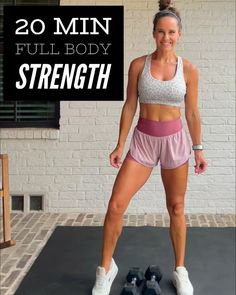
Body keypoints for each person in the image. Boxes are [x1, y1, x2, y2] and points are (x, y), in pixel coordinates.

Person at [92, 0, 208, 294]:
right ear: (153, 33)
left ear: (179, 34)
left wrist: (198, 149)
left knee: (177, 207)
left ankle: (180, 269)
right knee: (116, 205)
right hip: (143, 141)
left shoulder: (189, 70)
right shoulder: (138, 65)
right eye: (160, 32)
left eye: (171, 32)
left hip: (175, 143)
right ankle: (105, 269)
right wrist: (120, 144)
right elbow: (130, 105)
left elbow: (192, 112)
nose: (166, 38)